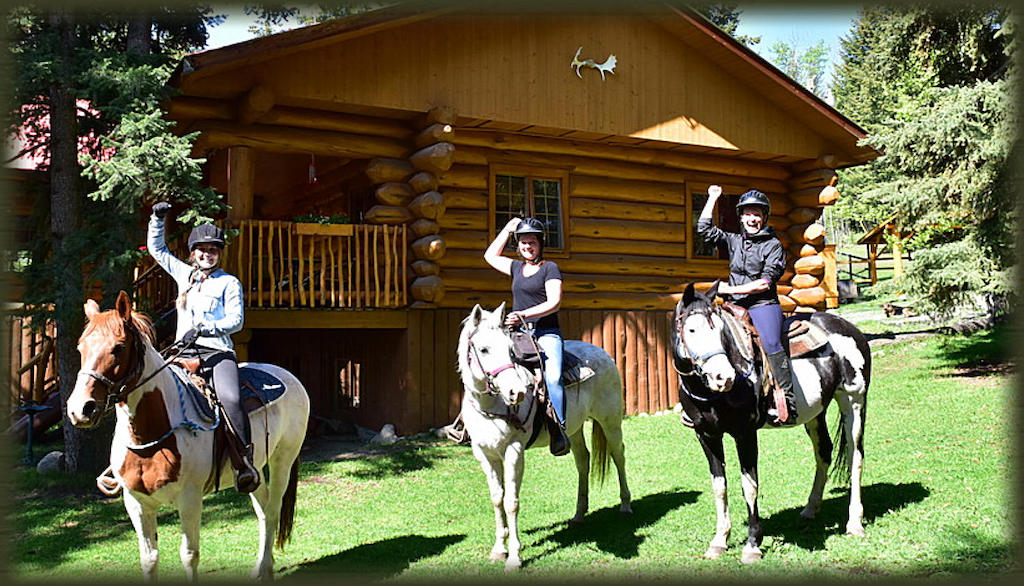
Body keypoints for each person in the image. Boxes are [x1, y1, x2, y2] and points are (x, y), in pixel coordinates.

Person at [148, 201, 260, 492]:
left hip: (217, 353)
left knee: (231, 399)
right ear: (193, 252)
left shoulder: (229, 283)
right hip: (182, 353)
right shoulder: (184, 274)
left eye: (213, 250)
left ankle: (243, 462)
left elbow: (236, 321)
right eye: (202, 250)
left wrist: (204, 328)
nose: (207, 254)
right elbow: (157, 250)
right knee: (147, 389)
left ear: (219, 254)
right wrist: (158, 219)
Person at [696, 185, 797, 426]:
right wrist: (712, 198)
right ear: (741, 217)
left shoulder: (773, 245)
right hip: (733, 306)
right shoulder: (733, 240)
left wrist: (728, 290)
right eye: (748, 214)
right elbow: (704, 229)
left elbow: (764, 283)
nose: (752, 219)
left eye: (757, 214)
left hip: (763, 305)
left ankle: (787, 400)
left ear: (764, 217)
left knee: (771, 343)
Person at [484, 217, 571, 456]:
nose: (527, 247)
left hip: (545, 333)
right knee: (495, 368)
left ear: (540, 244)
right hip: (519, 335)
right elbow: (489, 256)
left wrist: (523, 314)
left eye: (531, 242)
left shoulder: (550, 268)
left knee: (553, 378)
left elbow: (554, 302)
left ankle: (558, 429)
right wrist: (507, 229)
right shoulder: (515, 268)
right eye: (523, 243)